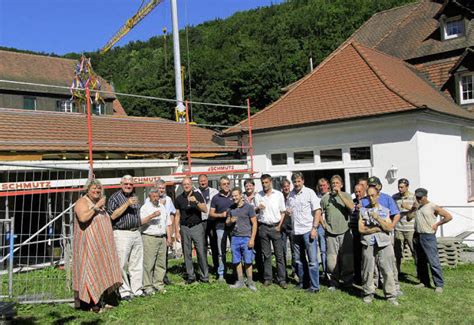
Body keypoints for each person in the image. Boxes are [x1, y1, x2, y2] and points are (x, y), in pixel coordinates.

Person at [73, 179, 122, 312]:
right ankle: (89, 304)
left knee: (103, 271)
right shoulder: (82, 202)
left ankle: (103, 300)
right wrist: (95, 207)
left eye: (99, 189)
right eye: (94, 188)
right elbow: (83, 218)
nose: (97, 191)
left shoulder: (99, 203)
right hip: (88, 247)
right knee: (89, 272)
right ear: (87, 190)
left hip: (101, 247)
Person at [361, 176, 401, 295]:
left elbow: (396, 214)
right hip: (370, 237)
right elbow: (362, 222)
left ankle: (394, 287)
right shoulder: (364, 200)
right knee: (370, 266)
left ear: (379, 186)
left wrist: (391, 226)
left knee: (388, 263)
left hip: (385, 235)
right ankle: (372, 286)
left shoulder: (387, 198)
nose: (373, 187)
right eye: (370, 184)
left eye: (375, 185)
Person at [107, 175, 143, 300]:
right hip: (122, 233)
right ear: (121, 184)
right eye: (126, 184)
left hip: (135, 232)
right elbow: (112, 216)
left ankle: (137, 289)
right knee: (121, 264)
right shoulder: (115, 198)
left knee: (136, 263)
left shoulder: (135, 196)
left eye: (131, 184)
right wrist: (127, 204)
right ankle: (124, 291)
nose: (128, 186)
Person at [413, 188, 452, 294]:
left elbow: (448, 216)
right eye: (417, 197)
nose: (418, 199)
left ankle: (439, 284)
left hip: (428, 236)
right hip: (417, 235)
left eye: (420, 197)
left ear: (426, 196)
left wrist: (437, 224)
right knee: (420, 260)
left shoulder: (432, 206)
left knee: (433, 261)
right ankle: (424, 281)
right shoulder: (418, 207)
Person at [288, 172, 322, 293]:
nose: (296, 184)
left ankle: (314, 286)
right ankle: (303, 282)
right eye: (295, 182)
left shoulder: (309, 192)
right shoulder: (291, 195)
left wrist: (314, 228)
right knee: (298, 260)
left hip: (308, 230)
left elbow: (317, 211)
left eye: (298, 181)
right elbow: (289, 210)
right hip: (296, 232)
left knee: (312, 261)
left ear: (303, 181)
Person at [320, 175, 354, 290]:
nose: (335, 185)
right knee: (331, 260)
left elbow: (352, 207)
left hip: (345, 232)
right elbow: (319, 212)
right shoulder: (325, 198)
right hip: (331, 233)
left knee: (347, 259)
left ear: (341, 185)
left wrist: (340, 194)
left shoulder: (346, 195)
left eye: (337, 183)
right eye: (333, 183)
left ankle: (348, 281)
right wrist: (323, 224)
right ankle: (333, 282)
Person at [255, 174, 288, 288]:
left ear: (271, 182)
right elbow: (254, 212)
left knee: (279, 255)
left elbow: (283, 211)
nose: (264, 185)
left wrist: (279, 226)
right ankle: (268, 278)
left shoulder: (278, 195)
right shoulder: (258, 195)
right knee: (266, 255)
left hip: (275, 227)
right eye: (262, 183)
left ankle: (282, 279)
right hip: (263, 227)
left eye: (266, 182)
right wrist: (257, 208)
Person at [174, 177, 209, 284]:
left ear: (191, 184)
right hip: (185, 228)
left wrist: (196, 201)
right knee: (187, 252)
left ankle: (204, 276)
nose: (186, 186)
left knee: (201, 251)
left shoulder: (197, 195)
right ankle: (191, 275)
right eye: (184, 184)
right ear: (182, 185)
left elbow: (205, 209)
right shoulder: (179, 198)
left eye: (188, 184)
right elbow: (177, 215)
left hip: (197, 227)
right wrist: (176, 231)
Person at [140, 187, 172, 295]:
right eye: (153, 196)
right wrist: (152, 216)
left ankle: (158, 284)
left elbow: (167, 222)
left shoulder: (162, 206)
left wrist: (168, 237)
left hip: (161, 236)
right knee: (149, 263)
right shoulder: (145, 207)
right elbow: (141, 222)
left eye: (157, 196)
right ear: (149, 197)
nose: (156, 198)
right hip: (150, 237)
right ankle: (147, 286)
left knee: (161, 263)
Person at [226, 187, 258, 291]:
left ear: (241, 196)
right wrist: (230, 221)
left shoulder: (249, 207)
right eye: (233, 196)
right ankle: (240, 281)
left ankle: (250, 281)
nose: (234, 197)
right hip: (235, 237)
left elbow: (254, 223)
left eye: (236, 195)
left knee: (248, 261)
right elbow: (227, 222)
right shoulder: (231, 208)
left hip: (246, 237)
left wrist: (252, 239)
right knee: (236, 260)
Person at [209, 176, 234, 282]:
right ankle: (221, 274)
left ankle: (236, 273)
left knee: (235, 250)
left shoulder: (234, 195)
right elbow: (211, 213)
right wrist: (221, 215)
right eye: (224, 184)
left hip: (234, 227)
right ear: (220, 185)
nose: (227, 185)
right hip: (220, 227)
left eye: (228, 183)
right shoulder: (215, 198)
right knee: (221, 251)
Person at [392, 178, 417, 276]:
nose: (400, 189)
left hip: (410, 228)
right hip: (398, 227)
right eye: (399, 187)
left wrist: (408, 208)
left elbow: (417, 211)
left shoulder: (413, 197)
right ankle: (397, 272)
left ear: (407, 187)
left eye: (402, 187)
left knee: (414, 251)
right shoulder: (395, 197)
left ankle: (419, 272)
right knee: (397, 252)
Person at [155, 179, 176, 285]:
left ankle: (164, 276)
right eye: (159, 188)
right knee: (155, 256)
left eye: (163, 188)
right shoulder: (150, 199)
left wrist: (171, 232)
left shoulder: (168, 199)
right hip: (155, 232)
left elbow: (172, 214)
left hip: (165, 231)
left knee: (165, 256)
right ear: (155, 188)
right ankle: (155, 278)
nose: (161, 190)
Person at [196, 174, 219, 258]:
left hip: (212, 220)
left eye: (204, 180)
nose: (203, 182)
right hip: (200, 221)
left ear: (207, 181)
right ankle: (205, 267)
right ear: (198, 182)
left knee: (214, 243)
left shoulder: (215, 191)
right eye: (201, 181)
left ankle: (216, 267)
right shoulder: (195, 193)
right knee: (202, 244)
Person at [280, 178, 296, 280]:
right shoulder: (279, 197)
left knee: (295, 251)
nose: (286, 188)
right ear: (281, 187)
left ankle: (295, 272)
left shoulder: (293, 196)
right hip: (282, 227)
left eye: (287, 186)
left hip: (293, 226)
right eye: (284, 186)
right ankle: (283, 272)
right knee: (282, 250)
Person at [351, 184, 365, 285]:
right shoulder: (353, 203)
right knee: (357, 256)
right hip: (355, 233)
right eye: (356, 192)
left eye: (359, 191)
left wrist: (363, 207)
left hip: (365, 233)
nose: (357, 194)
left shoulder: (368, 202)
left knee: (366, 257)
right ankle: (358, 278)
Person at [316, 178, 329, 278]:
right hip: (321, 226)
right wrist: (322, 223)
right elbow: (318, 212)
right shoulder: (317, 198)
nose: (322, 187)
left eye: (324, 185)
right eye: (320, 185)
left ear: (328, 185)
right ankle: (325, 271)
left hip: (332, 226)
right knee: (323, 250)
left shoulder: (331, 196)